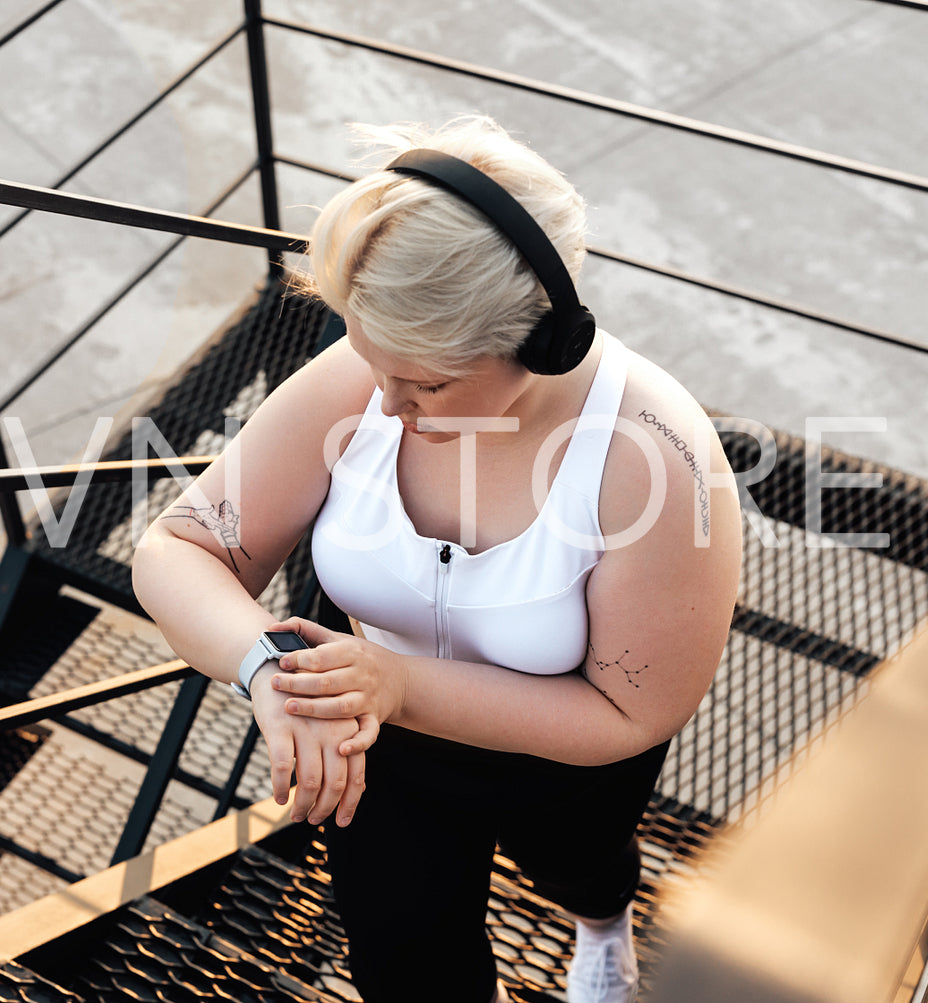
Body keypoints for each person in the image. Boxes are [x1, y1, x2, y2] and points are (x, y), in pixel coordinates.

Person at [132, 115, 741, 1003]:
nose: (384, 401)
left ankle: (603, 924)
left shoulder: (652, 455)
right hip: (381, 739)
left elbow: (632, 711)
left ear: (545, 341)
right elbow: (178, 545)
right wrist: (268, 667)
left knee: (583, 865)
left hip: (560, 752)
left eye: (425, 383)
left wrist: (397, 681)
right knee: (407, 968)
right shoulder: (370, 377)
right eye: (372, 360)